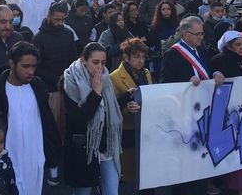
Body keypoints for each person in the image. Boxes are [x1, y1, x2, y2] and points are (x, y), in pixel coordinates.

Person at [0, 42, 62, 194]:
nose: (31, 71)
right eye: (25, 66)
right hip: (5, 161)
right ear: (12, 64)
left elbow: (47, 122)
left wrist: (52, 153)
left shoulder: (38, 87)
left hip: (35, 161)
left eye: (34, 67)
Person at [159, 16, 225, 194]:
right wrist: (185, 82)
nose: (201, 37)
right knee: (185, 158)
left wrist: (216, 73)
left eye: (202, 34)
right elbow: (165, 83)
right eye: (198, 34)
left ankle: (202, 185)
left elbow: (208, 70)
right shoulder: (172, 54)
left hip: (203, 109)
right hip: (184, 113)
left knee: (201, 153)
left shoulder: (201, 49)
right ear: (186, 34)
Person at [62, 42, 123, 195]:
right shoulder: (69, 81)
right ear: (83, 60)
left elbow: (108, 111)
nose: (100, 68)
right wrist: (95, 93)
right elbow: (79, 118)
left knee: (112, 190)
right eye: (95, 62)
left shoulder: (106, 78)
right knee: (83, 191)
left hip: (106, 145)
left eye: (103, 63)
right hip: (85, 148)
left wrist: (127, 98)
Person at [32, 2, 78, 185]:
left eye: (63, 19)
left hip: (69, 89)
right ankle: (52, 167)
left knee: (68, 129)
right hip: (50, 91)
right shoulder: (39, 38)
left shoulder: (68, 34)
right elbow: (36, 67)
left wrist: (68, 76)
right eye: (57, 19)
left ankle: (67, 164)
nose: (60, 23)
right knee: (52, 131)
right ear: (49, 16)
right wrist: (56, 79)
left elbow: (74, 59)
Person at [210, 31, 242, 195]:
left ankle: (236, 181)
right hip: (228, 111)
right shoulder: (218, 60)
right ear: (228, 46)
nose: (241, 48)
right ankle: (238, 187)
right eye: (238, 45)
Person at [110, 39, 152, 190]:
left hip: (145, 132)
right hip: (127, 133)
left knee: (146, 176)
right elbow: (111, 110)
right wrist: (126, 108)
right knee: (128, 177)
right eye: (136, 57)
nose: (141, 61)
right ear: (126, 57)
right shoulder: (114, 77)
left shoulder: (146, 73)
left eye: (143, 57)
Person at [147, 1, 180, 80]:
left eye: (168, 9)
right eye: (163, 9)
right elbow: (151, 43)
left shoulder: (178, 24)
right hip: (160, 59)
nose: (166, 11)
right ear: (159, 11)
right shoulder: (155, 26)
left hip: (176, 56)